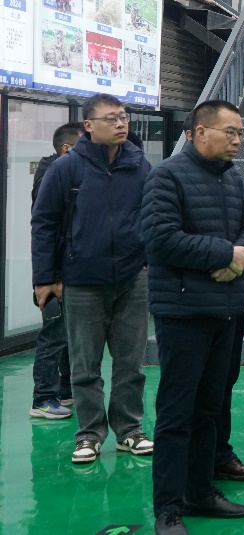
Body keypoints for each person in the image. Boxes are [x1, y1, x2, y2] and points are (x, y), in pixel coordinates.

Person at [142, 100, 244, 535]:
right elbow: (160, 240)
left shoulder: (232, 177)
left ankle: (200, 492)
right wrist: (225, 253)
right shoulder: (167, 176)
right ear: (198, 132)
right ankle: (168, 507)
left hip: (225, 309)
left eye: (240, 133)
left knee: (210, 409)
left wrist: (241, 258)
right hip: (183, 312)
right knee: (177, 413)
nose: (237, 140)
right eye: (229, 132)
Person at [32, 96, 152, 465]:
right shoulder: (67, 168)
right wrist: (45, 277)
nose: (120, 124)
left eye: (123, 117)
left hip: (132, 277)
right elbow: (44, 223)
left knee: (131, 363)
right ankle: (89, 434)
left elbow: (152, 215)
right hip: (81, 279)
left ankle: (129, 430)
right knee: (85, 366)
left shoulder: (139, 165)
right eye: (111, 118)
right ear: (89, 126)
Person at [28, 121, 84, 421]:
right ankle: (43, 398)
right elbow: (50, 230)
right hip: (54, 273)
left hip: (68, 269)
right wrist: (51, 276)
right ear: (67, 149)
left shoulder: (64, 174)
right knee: (54, 334)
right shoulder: (53, 177)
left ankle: (64, 390)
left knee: (67, 334)